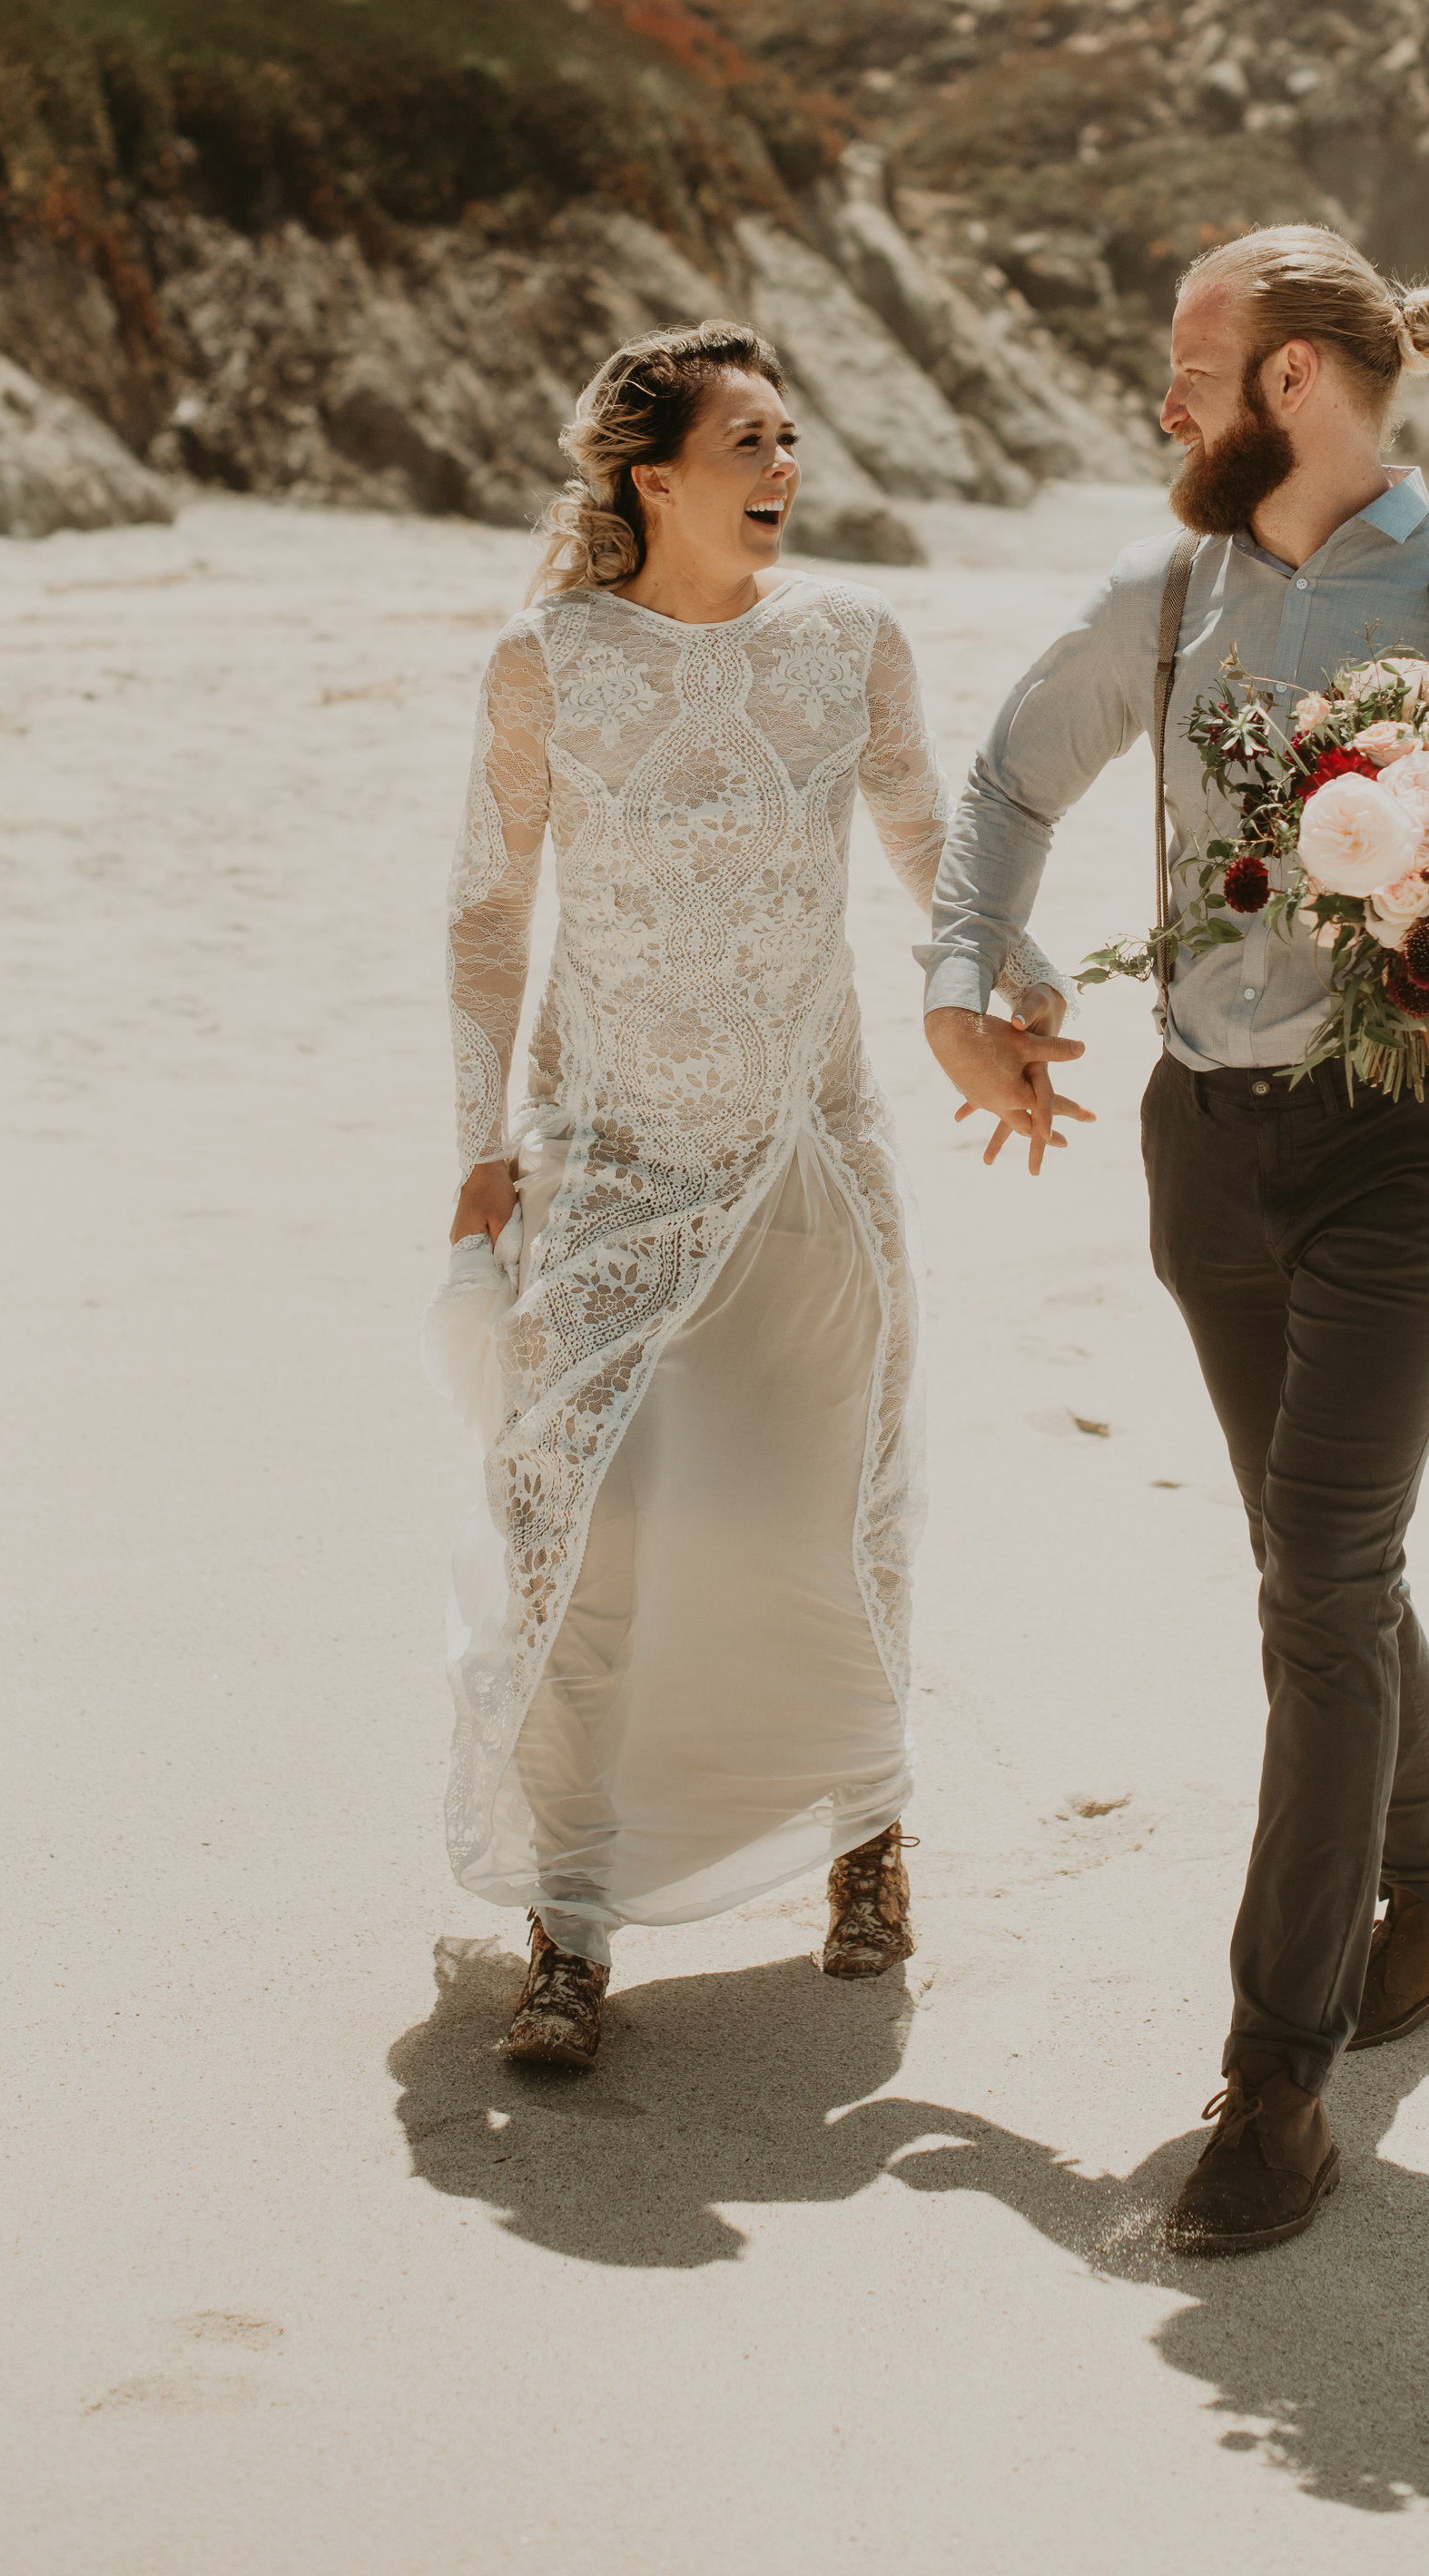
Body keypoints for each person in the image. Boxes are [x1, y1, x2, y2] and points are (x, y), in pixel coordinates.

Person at [921, 225, 1429, 2255]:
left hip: (1409, 1152)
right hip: (1200, 1153)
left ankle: (1275, 2080)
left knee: (1315, 1579)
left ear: (1293, 378)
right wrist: (971, 971)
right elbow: (1003, 784)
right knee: (1321, 1559)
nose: (1163, 402)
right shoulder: (1162, 601)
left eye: (1187, 364)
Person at [422, 319, 1069, 2068]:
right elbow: (489, 908)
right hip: (606, 1145)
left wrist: (1008, 976)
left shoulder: (848, 641)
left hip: (806, 1136)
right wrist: (481, 1138)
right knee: (577, 1508)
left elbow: (933, 844)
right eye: (750, 444)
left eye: (791, 440)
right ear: (653, 475)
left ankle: (870, 1837)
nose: (786, 471)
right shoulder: (545, 657)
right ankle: (568, 1919)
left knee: (833, 1500)